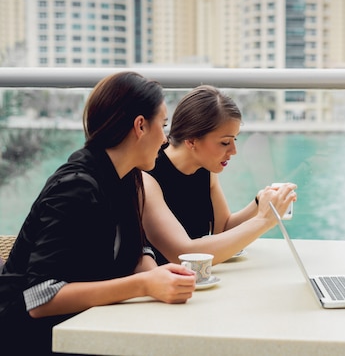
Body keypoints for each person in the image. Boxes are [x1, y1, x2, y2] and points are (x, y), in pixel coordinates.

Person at [0, 71, 197, 355]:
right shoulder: (76, 187)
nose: (165, 140)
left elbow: (135, 249)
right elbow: (40, 298)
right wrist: (144, 285)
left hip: (86, 326)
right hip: (30, 337)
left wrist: (161, 278)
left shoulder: (127, 177)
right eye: (163, 126)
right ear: (140, 126)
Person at [141, 85, 296, 265]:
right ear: (191, 140)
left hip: (192, 280)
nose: (234, 151)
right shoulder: (148, 174)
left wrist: (258, 203)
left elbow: (222, 229)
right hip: (161, 283)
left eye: (234, 140)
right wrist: (263, 221)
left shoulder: (205, 169)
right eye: (225, 142)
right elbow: (183, 254)